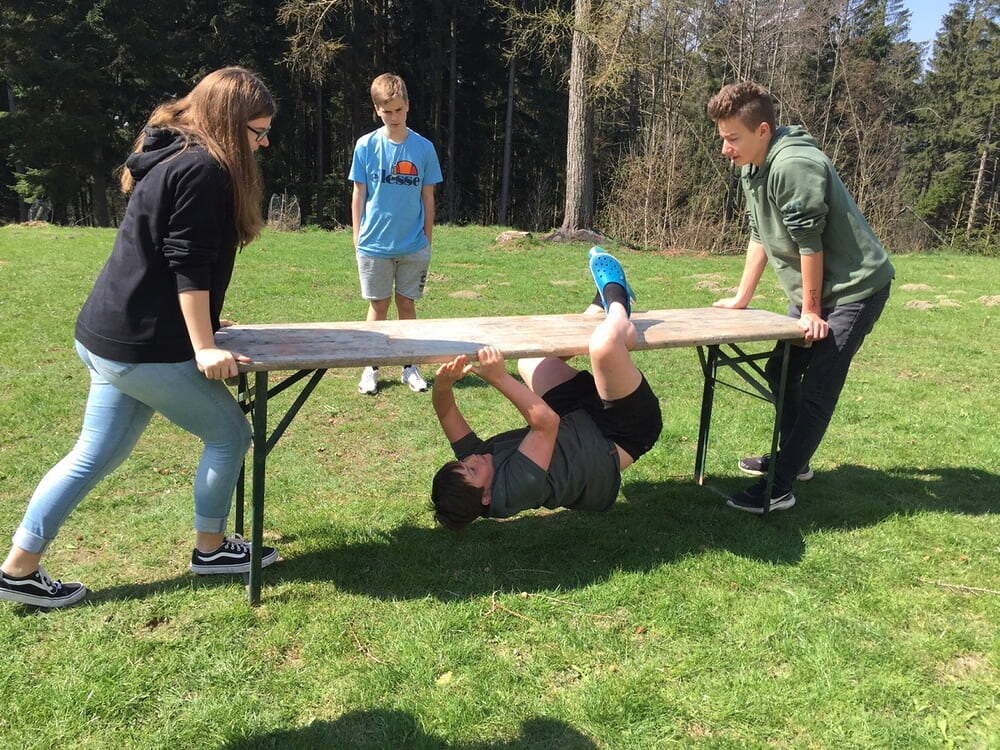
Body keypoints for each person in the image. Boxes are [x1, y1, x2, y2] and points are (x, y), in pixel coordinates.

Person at [0, 67, 280, 608]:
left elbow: (165, 258)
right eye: (258, 131)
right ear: (229, 123)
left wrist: (208, 322)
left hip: (110, 333)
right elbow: (186, 264)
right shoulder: (203, 168)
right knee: (230, 435)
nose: (264, 142)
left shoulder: (173, 152)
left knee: (92, 456)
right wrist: (204, 346)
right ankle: (211, 550)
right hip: (141, 347)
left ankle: (18, 569)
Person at [706, 81, 894, 514]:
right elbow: (761, 233)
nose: (725, 149)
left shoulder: (793, 166)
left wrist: (811, 311)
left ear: (763, 130)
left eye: (732, 138)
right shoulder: (752, 164)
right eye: (723, 138)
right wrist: (741, 296)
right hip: (816, 290)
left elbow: (810, 243)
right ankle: (794, 458)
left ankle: (779, 485)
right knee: (781, 370)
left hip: (854, 289)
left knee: (817, 388)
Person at [430, 248, 661, 530]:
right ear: (487, 496)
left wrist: (444, 384)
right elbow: (546, 423)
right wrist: (499, 378)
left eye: (463, 463)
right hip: (620, 433)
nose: (472, 459)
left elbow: (445, 413)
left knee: (531, 361)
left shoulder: (477, 464)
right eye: (471, 470)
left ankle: (598, 308)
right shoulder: (517, 488)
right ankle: (617, 300)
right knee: (605, 346)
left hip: (577, 420)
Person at [349, 73, 443, 395]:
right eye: (387, 111)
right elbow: (359, 193)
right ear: (377, 110)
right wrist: (357, 235)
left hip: (413, 244)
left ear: (408, 106)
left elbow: (428, 196)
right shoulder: (365, 145)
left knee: (407, 304)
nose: (394, 117)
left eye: (399, 110)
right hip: (374, 244)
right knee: (378, 306)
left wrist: (427, 239)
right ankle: (371, 366)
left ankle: (410, 365)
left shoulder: (424, 148)